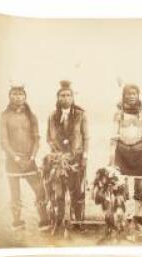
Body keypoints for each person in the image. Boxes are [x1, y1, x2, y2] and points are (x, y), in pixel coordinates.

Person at [0, 85, 49, 230]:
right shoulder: (5, 116)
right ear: (10, 96)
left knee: (40, 189)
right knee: (15, 193)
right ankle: (17, 222)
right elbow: (3, 141)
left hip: (29, 160)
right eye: (14, 94)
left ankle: (44, 220)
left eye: (21, 94)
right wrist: (15, 158)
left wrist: (32, 157)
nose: (18, 97)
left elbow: (36, 139)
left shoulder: (31, 116)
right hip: (12, 161)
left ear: (25, 97)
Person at [45, 80, 89, 234]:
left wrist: (84, 156)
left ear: (72, 97)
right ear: (58, 98)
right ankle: (59, 219)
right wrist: (56, 152)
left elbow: (86, 137)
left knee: (77, 190)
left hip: (76, 158)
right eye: (62, 95)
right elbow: (48, 138)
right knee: (59, 191)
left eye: (68, 95)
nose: (65, 98)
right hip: (58, 159)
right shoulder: (52, 116)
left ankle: (77, 221)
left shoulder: (80, 115)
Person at [109, 83, 142, 234]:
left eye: (134, 94)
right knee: (123, 185)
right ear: (124, 95)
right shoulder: (118, 113)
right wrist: (111, 158)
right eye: (128, 94)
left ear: (138, 95)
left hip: (139, 151)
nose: (131, 96)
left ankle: (138, 215)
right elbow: (114, 136)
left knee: (139, 186)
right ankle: (127, 216)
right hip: (122, 152)